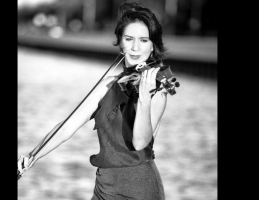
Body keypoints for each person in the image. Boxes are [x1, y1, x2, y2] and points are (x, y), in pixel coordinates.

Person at [18, 2, 173, 199]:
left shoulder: (157, 89)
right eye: (129, 39)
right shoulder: (108, 85)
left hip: (139, 189)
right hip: (103, 187)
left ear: (153, 47)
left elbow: (140, 142)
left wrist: (144, 98)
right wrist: (32, 157)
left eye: (143, 40)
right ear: (120, 42)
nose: (135, 47)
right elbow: (66, 128)